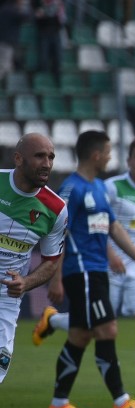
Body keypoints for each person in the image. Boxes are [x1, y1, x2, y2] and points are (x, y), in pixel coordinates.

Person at [33, 137, 135, 405]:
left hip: (124, 268)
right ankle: (118, 400)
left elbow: (127, 224)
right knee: (98, 327)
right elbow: (67, 230)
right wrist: (107, 255)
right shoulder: (104, 188)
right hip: (95, 267)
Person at [0, 133, 67, 385]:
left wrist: (26, 283)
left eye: (51, 157)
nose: (47, 163)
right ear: (18, 158)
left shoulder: (56, 209)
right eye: (39, 156)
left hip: (6, 298)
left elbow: (51, 260)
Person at [33, 0, 66, 85]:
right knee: (43, 59)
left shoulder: (58, 4)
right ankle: (43, 82)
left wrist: (59, 12)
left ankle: (57, 82)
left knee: (58, 58)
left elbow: (62, 21)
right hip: (44, 33)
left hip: (55, 33)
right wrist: (41, 14)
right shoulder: (38, 4)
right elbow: (36, 18)